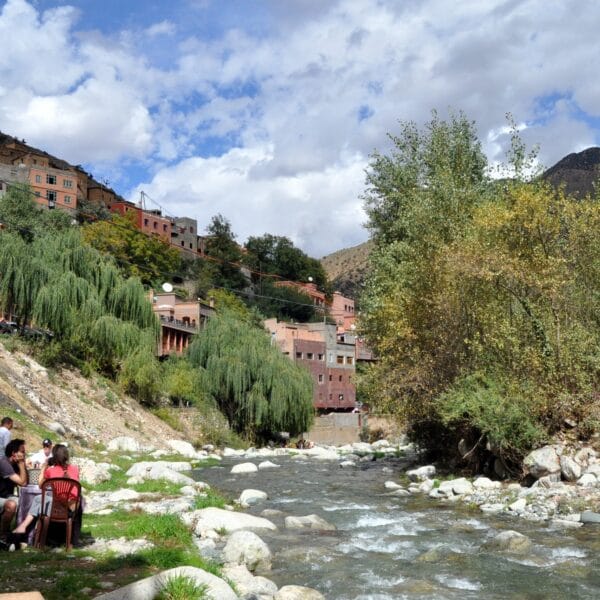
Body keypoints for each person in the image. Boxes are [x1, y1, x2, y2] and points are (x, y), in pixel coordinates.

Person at [12, 444, 80, 536]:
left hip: (59, 510)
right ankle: (24, 527)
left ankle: (24, 527)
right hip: (74, 508)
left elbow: (40, 485)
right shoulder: (75, 469)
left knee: (39, 498)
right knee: (45, 497)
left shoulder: (51, 471)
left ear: (54, 457)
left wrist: (44, 467)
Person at [0, 438, 27, 538]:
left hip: (6, 496)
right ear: (13, 453)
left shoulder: (15, 464)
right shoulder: (4, 463)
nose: (24, 455)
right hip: (2, 497)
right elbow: (22, 482)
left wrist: (21, 465)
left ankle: (21, 533)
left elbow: (24, 482)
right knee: (11, 505)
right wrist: (21, 464)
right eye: (22, 452)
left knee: (26, 502)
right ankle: (3, 535)